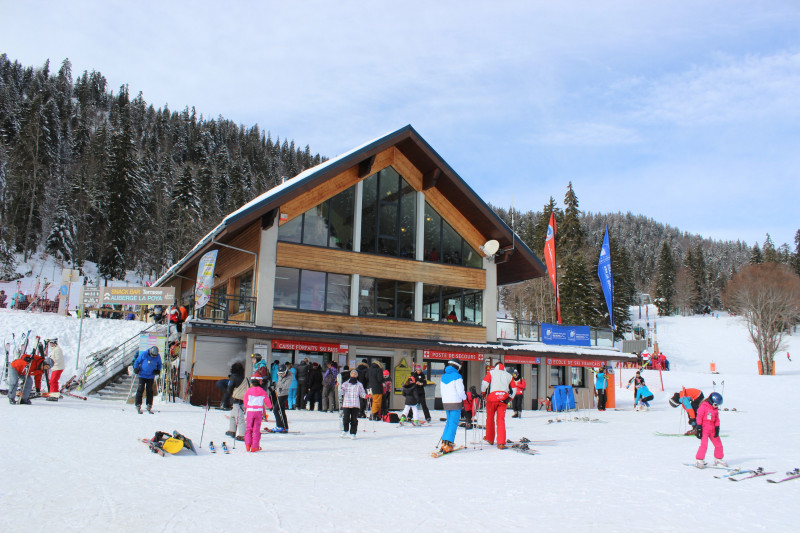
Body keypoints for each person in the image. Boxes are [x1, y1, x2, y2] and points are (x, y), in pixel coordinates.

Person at [481, 362, 515, 449]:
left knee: (490, 418)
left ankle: (490, 438)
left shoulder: (491, 373)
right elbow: (514, 389)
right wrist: (509, 398)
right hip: (503, 399)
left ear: (495, 367)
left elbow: (484, 384)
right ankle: (501, 442)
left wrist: (483, 394)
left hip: (492, 398)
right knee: (501, 420)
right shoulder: (509, 376)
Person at [439, 358, 466, 454]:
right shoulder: (457, 376)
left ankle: (444, 441)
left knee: (448, 422)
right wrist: (465, 397)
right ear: (457, 366)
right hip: (455, 402)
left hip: (446, 402)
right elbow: (460, 391)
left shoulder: (443, 376)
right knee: (453, 423)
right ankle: (449, 443)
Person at [695, 392, 727, 468]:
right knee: (704, 445)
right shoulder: (703, 407)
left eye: (718, 405)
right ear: (711, 401)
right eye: (716, 404)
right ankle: (699, 460)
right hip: (704, 429)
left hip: (712, 429)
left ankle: (718, 459)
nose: (716, 406)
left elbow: (717, 419)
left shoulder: (715, 409)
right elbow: (699, 417)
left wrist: (717, 427)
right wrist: (699, 427)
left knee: (718, 445)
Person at [243, 374, 270, 452]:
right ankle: (255, 447)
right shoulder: (262, 391)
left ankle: (248, 445)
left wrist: (246, 407)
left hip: (250, 411)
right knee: (256, 429)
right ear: (260, 382)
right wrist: (270, 406)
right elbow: (267, 401)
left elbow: (245, 401)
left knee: (248, 428)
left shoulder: (248, 391)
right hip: (258, 412)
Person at [133, 347, 163, 414]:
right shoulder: (144, 354)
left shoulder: (157, 357)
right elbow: (137, 361)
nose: (153, 357)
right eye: (152, 355)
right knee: (140, 389)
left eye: (154, 356)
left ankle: (149, 404)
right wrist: (135, 368)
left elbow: (159, 364)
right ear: (150, 352)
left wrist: (158, 370)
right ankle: (138, 404)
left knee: (149, 390)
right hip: (142, 375)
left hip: (150, 376)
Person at [339, 369, 367, 439]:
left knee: (354, 419)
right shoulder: (345, 384)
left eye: (355, 374)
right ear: (350, 375)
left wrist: (366, 396)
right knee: (346, 418)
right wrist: (339, 387)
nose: (353, 375)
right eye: (352, 374)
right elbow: (341, 393)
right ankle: (345, 430)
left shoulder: (359, 384)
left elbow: (362, 393)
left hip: (355, 404)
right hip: (347, 404)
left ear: (357, 376)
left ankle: (353, 433)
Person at [226, 374, 249, 442]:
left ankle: (243, 435)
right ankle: (232, 430)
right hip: (242, 399)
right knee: (233, 416)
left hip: (237, 399)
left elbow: (230, 388)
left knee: (239, 417)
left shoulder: (234, 378)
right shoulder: (245, 379)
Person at [270, 365, 292, 432]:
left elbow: (286, 386)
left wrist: (277, 385)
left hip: (284, 395)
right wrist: (274, 387)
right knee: (282, 411)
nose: (281, 375)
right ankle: (285, 426)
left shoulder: (289, 376)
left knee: (275, 410)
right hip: (279, 394)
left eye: (282, 374)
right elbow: (279, 383)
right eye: (279, 374)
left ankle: (279, 426)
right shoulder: (280, 375)